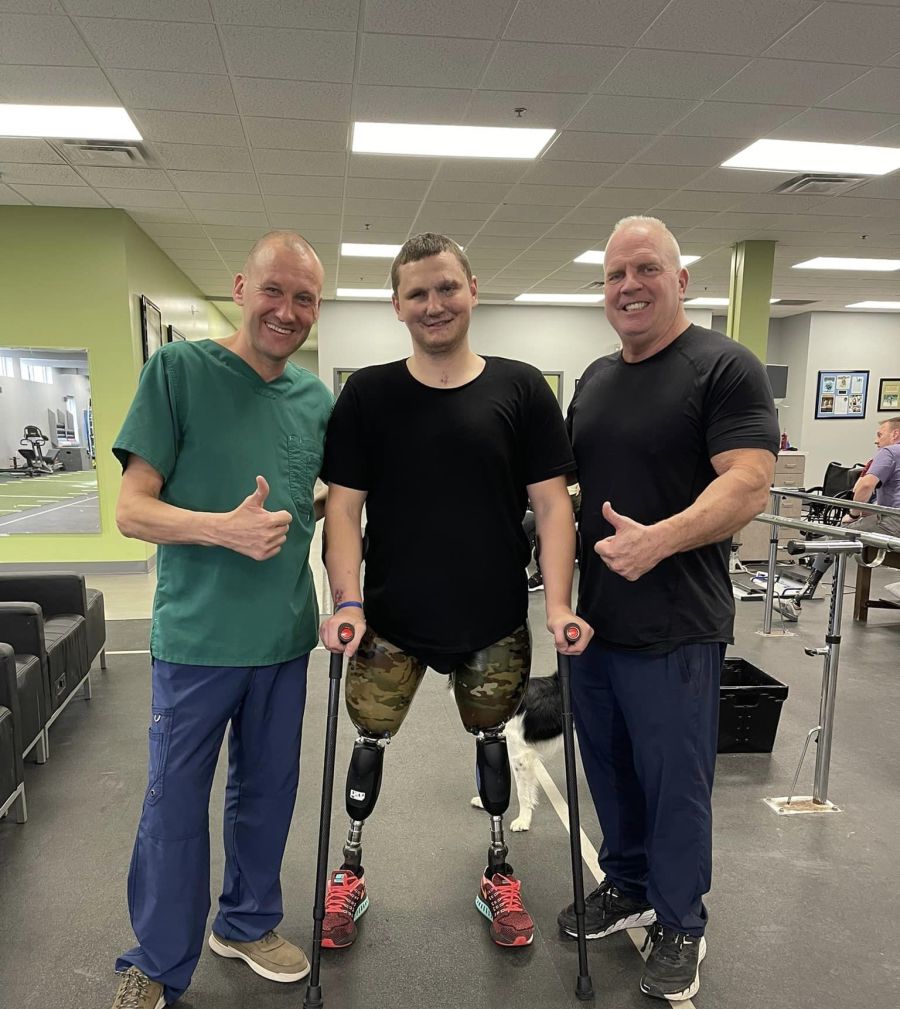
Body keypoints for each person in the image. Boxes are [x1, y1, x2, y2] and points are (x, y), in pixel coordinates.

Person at [318, 232, 590, 951]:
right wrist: (346, 602)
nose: (433, 304)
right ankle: (349, 871)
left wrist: (559, 605)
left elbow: (553, 506)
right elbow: (343, 508)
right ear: (397, 305)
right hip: (390, 618)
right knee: (368, 739)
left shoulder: (521, 388)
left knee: (494, 739)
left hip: (492, 616)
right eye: (418, 293)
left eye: (446, 288)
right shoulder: (369, 394)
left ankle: (499, 871)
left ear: (473, 288)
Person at [108, 231, 333, 1009]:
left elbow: (316, 502)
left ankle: (246, 922)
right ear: (241, 288)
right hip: (197, 640)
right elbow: (131, 510)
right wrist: (221, 529)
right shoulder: (177, 371)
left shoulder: (316, 401)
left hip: (284, 636)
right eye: (274, 290)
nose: (287, 310)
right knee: (174, 804)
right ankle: (157, 960)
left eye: (305, 298)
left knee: (267, 794)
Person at [557, 216, 778, 1002]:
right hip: (596, 623)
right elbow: (567, 491)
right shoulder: (594, 378)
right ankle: (627, 883)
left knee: (674, 784)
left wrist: (662, 539)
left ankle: (682, 918)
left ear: (681, 279)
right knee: (610, 769)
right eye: (615, 273)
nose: (628, 285)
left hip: (678, 626)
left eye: (645, 268)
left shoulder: (723, 366)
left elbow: (749, 480)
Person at [799, 417, 900, 601]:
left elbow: (865, 486)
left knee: (838, 535)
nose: (876, 440)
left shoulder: (890, 452)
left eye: (880, 434)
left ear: (895, 434)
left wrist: (853, 514)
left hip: (894, 523)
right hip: (891, 517)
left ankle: (805, 591)